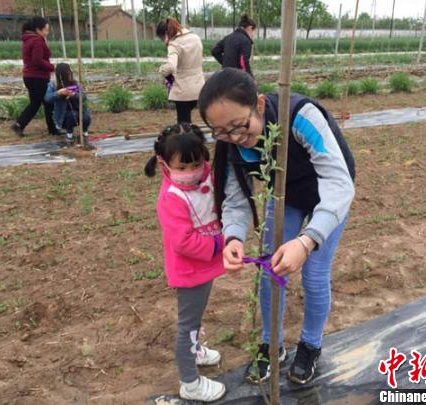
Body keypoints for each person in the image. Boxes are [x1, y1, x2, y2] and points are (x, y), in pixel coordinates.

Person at [198, 68, 355, 385]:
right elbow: (236, 199)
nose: (235, 138)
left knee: (313, 272)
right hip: (287, 197)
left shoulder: (301, 117)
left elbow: (339, 184)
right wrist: (233, 236)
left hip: (330, 195)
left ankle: (311, 344)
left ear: (257, 104)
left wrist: (307, 241)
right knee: (271, 270)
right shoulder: (231, 144)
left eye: (239, 126)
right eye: (221, 132)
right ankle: (272, 344)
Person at [144, 123, 227, 402]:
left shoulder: (206, 178)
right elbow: (182, 242)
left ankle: (196, 350)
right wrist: (217, 243)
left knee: (197, 315)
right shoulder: (171, 197)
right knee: (188, 326)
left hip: (206, 266)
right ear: (163, 163)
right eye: (182, 167)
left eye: (196, 163)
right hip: (190, 271)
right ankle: (190, 382)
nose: (191, 172)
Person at [11, 16, 58, 137]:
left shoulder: (28, 40)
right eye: (46, 30)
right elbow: (37, 61)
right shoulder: (37, 41)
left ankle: (51, 129)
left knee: (39, 103)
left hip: (29, 76)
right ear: (38, 29)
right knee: (44, 102)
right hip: (38, 77)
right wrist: (52, 67)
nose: (47, 33)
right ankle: (20, 125)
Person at [156, 18, 205, 124]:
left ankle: (187, 139)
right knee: (187, 122)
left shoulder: (174, 44)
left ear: (165, 33)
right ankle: (191, 137)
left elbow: (171, 66)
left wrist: (161, 70)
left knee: (183, 123)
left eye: (162, 38)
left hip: (183, 91)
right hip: (198, 87)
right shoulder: (195, 38)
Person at [44, 63, 91, 146]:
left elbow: (84, 97)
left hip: (78, 110)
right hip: (63, 115)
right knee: (71, 116)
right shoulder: (53, 85)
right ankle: (69, 135)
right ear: (63, 75)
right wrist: (58, 93)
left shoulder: (75, 83)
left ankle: (84, 133)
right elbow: (47, 98)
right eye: (69, 72)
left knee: (86, 117)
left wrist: (74, 95)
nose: (71, 74)